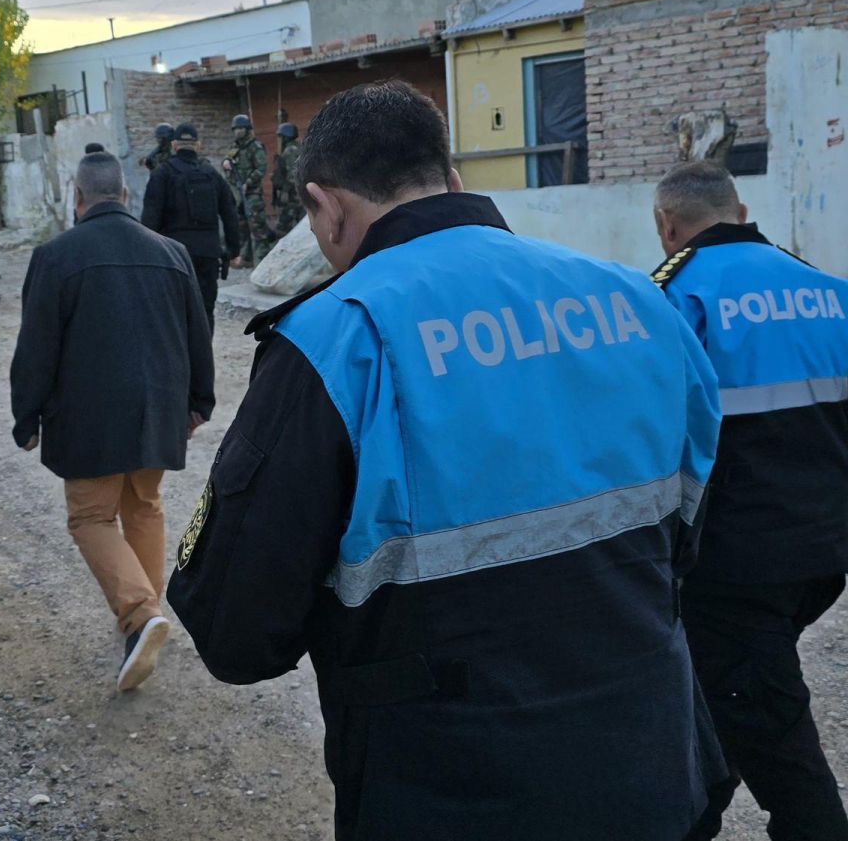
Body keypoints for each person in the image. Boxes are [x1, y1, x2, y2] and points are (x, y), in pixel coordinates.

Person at [168, 80, 728, 841]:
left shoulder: (341, 336)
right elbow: (686, 529)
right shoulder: (637, 298)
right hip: (655, 768)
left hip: (451, 790)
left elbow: (237, 631)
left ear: (325, 207)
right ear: (454, 179)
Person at [651, 160, 848, 841]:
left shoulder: (674, 298)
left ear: (666, 226)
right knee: (731, 696)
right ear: (740, 212)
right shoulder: (830, 290)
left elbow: (652, 439)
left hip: (734, 563)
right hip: (823, 555)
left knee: (768, 725)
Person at [10, 153, 215, 691]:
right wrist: (199, 400)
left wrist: (25, 415)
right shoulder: (170, 252)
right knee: (143, 505)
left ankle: (140, 614)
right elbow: (198, 331)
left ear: (77, 198)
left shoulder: (56, 256)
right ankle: (144, 620)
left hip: (90, 415)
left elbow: (37, 347)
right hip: (159, 410)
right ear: (126, 195)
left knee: (91, 519)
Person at [141, 123, 241, 335]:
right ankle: (204, 363)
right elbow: (231, 214)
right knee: (205, 311)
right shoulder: (212, 175)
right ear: (198, 145)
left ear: (175, 145)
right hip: (208, 255)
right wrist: (234, 250)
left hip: (173, 256)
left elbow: (150, 218)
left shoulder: (162, 174)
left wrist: (148, 256)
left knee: (176, 312)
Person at [222, 113, 272, 267]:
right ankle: (246, 258)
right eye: (235, 129)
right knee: (242, 227)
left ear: (247, 129)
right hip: (238, 194)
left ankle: (263, 260)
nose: (237, 131)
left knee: (257, 226)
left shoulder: (254, 146)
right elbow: (228, 162)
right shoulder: (234, 147)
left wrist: (248, 182)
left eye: (240, 128)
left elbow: (261, 168)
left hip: (252, 194)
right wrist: (225, 164)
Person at [272, 121, 303, 236]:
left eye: (280, 137)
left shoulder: (290, 150)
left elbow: (292, 175)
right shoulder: (298, 147)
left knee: (283, 228)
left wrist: (284, 192)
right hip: (298, 194)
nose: (279, 140)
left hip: (293, 196)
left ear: (286, 136)